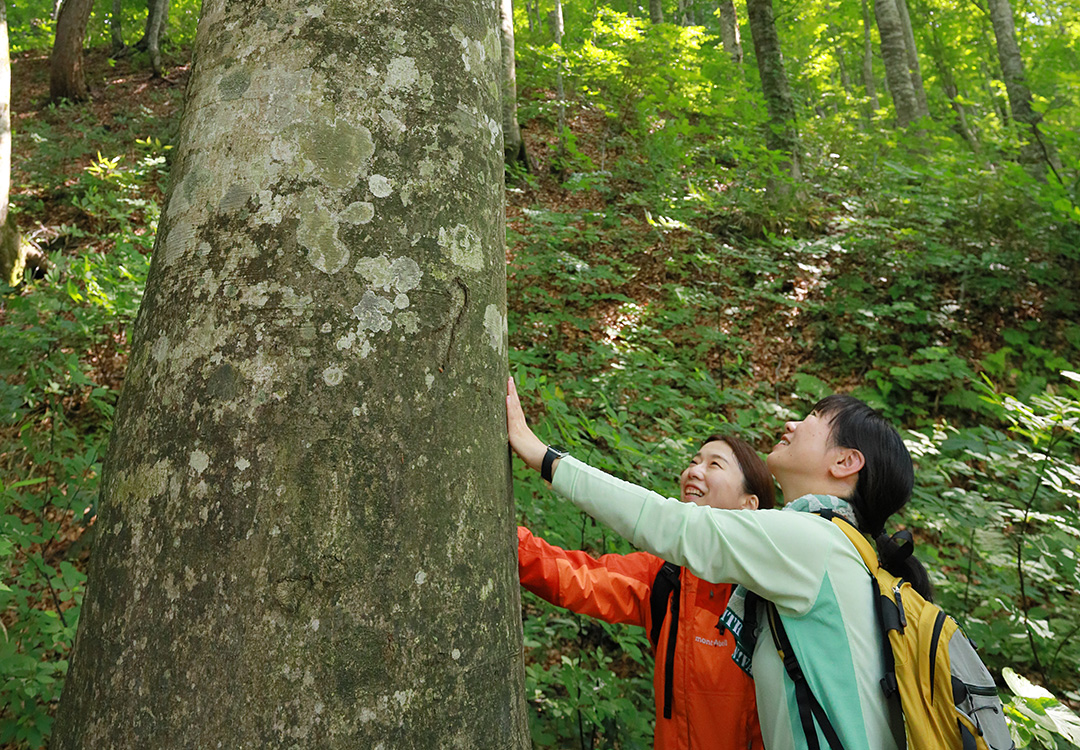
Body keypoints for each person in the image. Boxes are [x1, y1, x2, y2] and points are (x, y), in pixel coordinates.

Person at [507, 378, 932, 750]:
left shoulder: (813, 541)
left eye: (814, 416)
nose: (792, 424)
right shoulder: (839, 551)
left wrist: (541, 456)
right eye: (695, 460)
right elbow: (578, 577)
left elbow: (671, 523)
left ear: (845, 462)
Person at [519, 433, 774, 750]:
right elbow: (576, 578)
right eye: (694, 461)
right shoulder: (666, 577)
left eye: (714, 464)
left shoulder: (771, 590)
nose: (694, 470)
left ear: (748, 504)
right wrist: (501, 537)